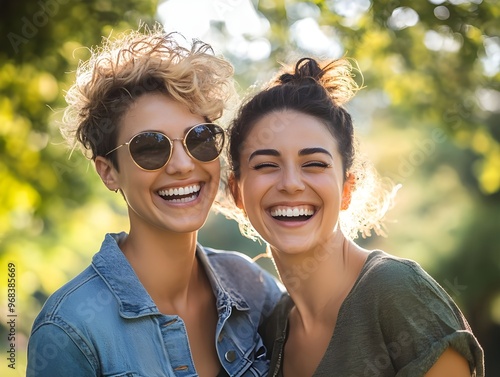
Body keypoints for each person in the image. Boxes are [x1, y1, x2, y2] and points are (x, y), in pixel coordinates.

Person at [27, 26, 284, 377]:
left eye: (200, 139)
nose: (182, 165)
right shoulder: (70, 329)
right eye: (150, 147)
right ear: (108, 172)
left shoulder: (253, 288)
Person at [222, 57, 484, 376]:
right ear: (237, 191)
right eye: (265, 165)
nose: (290, 183)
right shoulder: (269, 328)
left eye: (315, 164)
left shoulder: (396, 291)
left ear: (347, 189)